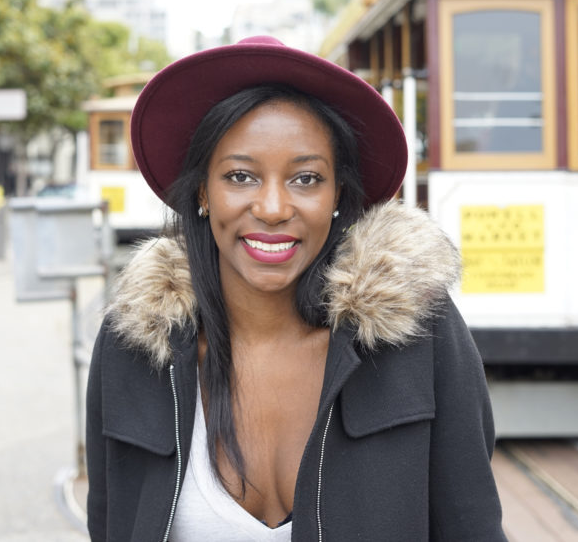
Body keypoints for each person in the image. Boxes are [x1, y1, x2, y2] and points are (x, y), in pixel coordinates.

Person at [85, 36, 506, 541]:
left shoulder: (420, 337)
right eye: (240, 176)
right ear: (202, 191)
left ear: (338, 195)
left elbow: (473, 527)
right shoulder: (133, 345)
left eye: (305, 179)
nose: (272, 207)